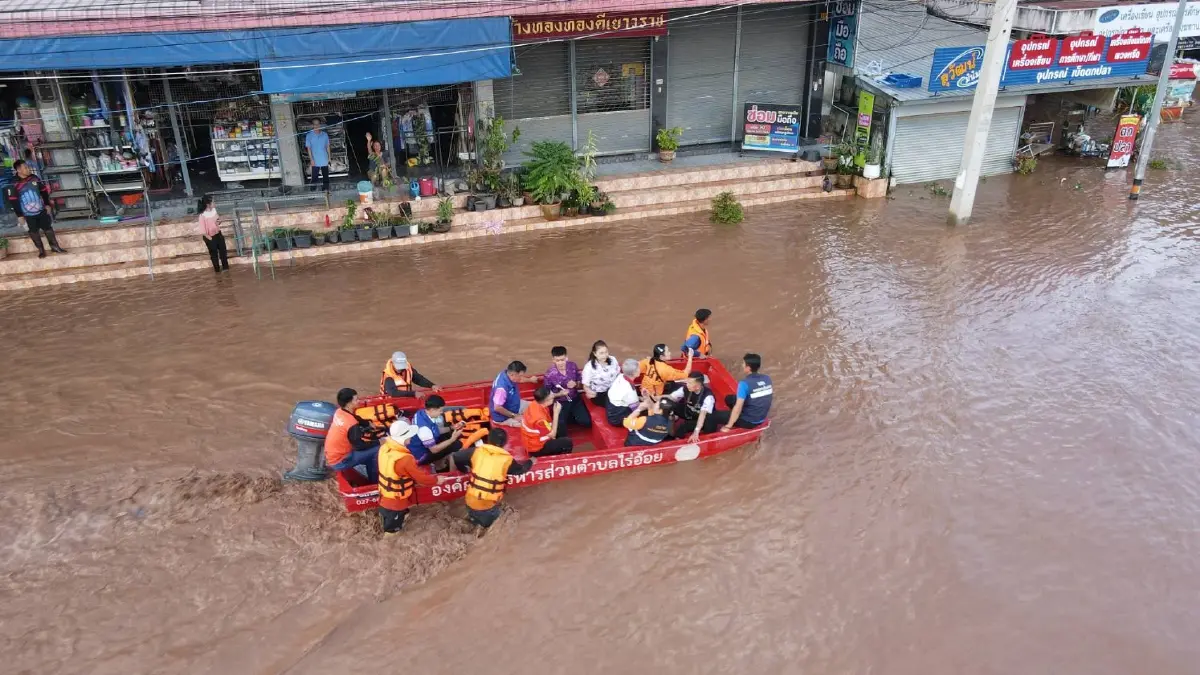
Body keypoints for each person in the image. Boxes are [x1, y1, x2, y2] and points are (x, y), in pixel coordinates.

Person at [376, 420, 453, 534]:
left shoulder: (384, 448)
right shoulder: (405, 459)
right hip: (396, 502)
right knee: (392, 533)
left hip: (384, 495)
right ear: (403, 438)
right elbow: (422, 479)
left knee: (390, 519)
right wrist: (437, 480)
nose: (411, 438)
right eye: (409, 436)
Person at [457, 428, 534, 528]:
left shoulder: (477, 451)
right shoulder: (507, 459)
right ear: (505, 443)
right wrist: (531, 461)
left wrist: (464, 469)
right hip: (487, 506)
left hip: (469, 500)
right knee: (497, 526)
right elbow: (521, 470)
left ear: (488, 439)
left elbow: (456, 456)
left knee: (474, 524)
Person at [3, 159, 66, 258]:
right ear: (19, 170)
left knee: (48, 228)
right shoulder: (13, 183)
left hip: (41, 210)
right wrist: (19, 215)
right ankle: (41, 250)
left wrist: (47, 204)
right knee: (33, 231)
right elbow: (13, 200)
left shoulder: (34, 178)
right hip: (27, 214)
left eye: (27, 167)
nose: (28, 169)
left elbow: (44, 191)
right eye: (25, 168)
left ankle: (55, 247)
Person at [325, 387, 384, 482]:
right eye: (356, 400)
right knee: (377, 449)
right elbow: (359, 446)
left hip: (332, 455)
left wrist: (367, 423)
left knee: (371, 449)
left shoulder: (339, 411)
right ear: (349, 403)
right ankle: (374, 482)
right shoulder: (351, 424)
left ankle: (367, 464)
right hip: (341, 461)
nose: (358, 401)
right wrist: (379, 442)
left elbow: (355, 417)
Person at [711, 353, 774, 432]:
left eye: (743, 364)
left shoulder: (744, 384)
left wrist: (728, 426)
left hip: (749, 422)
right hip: (761, 417)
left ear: (748, 368)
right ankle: (733, 416)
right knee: (729, 398)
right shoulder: (767, 378)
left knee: (713, 416)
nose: (742, 365)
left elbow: (738, 407)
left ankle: (716, 429)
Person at [406, 395, 466, 468]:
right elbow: (434, 450)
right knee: (457, 444)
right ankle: (444, 469)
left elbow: (435, 430)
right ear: (432, 410)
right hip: (421, 456)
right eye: (440, 410)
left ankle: (441, 463)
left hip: (418, 445)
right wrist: (452, 439)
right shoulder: (424, 429)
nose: (441, 412)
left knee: (447, 435)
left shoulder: (420, 413)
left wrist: (451, 427)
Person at [544, 346, 591, 428]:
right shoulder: (549, 374)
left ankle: (570, 417)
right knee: (560, 429)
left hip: (575, 399)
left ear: (566, 358)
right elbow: (547, 394)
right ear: (553, 360)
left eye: (562, 359)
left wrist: (576, 384)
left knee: (586, 422)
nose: (560, 363)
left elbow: (581, 383)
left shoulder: (573, 366)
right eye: (557, 360)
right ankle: (566, 418)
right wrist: (559, 394)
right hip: (560, 403)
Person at [521, 387, 573, 456]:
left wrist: (560, 394)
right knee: (568, 443)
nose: (553, 397)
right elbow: (552, 435)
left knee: (561, 425)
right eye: (552, 396)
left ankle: (558, 443)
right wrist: (556, 413)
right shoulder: (539, 419)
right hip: (536, 447)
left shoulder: (535, 403)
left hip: (533, 438)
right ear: (546, 400)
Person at [670, 371, 718, 442]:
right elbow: (671, 397)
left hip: (703, 419)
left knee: (682, 427)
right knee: (669, 404)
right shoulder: (686, 388)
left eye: (690, 383)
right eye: (687, 382)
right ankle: (670, 421)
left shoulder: (708, 397)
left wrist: (696, 432)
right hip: (690, 412)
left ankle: (676, 442)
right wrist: (655, 398)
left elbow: (703, 415)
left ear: (698, 386)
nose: (687, 385)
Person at [490, 361, 537, 427]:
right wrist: (514, 416)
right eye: (520, 376)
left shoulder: (508, 373)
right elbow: (497, 408)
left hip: (514, 404)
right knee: (529, 424)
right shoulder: (501, 389)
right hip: (504, 417)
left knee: (536, 407)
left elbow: (519, 379)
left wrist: (530, 380)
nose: (521, 377)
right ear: (512, 374)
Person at [581, 340, 621, 407]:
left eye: (606, 352)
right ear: (595, 353)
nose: (605, 355)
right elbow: (585, 386)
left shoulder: (613, 359)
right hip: (599, 394)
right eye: (601, 353)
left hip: (614, 390)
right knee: (615, 405)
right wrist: (589, 392)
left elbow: (618, 375)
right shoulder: (589, 367)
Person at [604, 358, 643, 427]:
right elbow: (636, 408)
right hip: (616, 418)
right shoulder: (630, 391)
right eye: (639, 368)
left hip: (610, 406)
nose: (640, 369)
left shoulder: (620, 376)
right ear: (634, 373)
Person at [196, 195, 228, 273]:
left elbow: (217, 220)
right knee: (214, 254)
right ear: (208, 204)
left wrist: (219, 221)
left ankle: (226, 268)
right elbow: (203, 230)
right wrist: (210, 238)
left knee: (223, 251)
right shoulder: (202, 215)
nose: (214, 203)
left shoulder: (214, 210)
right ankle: (217, 271)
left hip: (218, 234)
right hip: (210, 236)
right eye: (213, 202)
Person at [305, 118, 331, 192]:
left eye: (318, 124)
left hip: (324, 158)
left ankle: (325, 190)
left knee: (325, 176)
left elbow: (327, 146)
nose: (316, 125)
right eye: (315, 124)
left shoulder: (324, 134)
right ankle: (313, 191)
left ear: (320, 125)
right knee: (314, 177)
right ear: (312, 125)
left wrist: (329, 158)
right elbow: (309, 149)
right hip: (315, 160)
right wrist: (311, 160)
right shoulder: (309, 135)